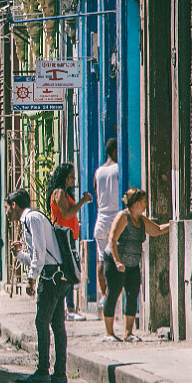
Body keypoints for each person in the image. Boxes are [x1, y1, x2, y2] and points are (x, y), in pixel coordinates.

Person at [7, 189, 69, 383]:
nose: (6, 212)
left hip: (50, 278)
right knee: (57, 325)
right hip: (56, 275)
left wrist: (31, 279)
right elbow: (38, 256)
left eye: (7, 208)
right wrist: (18, 255)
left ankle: (44, 370)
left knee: (42, 322)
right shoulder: (32, 219)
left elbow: (40, 254)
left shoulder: (32, 218)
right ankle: (60, 374)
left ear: (14, 205)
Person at [104, 189, 170, 342]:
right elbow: (112, 240)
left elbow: (157, 230)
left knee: (132, 295)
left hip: (132, 264)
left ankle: (128, 333)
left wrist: (174, 225)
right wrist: (118, 261)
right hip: (116, 262)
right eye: (145, 201)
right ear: (137, 203)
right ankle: (108, 333)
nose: (147, 204)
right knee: (113, 293)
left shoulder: (140, 219)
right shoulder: (123, 217)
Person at [48, 163, 93, 321]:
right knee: (68, 271)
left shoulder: (64, 193)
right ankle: (69, 308)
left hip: (69, 237)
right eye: (71, 177)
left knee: (70, 270)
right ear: (64, 177)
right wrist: (82, 202)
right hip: (63, 238)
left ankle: (69, 307)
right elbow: (66, 214)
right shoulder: (59, 193)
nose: (73, 179)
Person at [93, 139, 120, 306]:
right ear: (116, 151)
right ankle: (117, 298)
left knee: (102, 260)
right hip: (115, 219)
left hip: (101, 220)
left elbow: (97, 196)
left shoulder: (98, 172)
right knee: (120, 260)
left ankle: (104, 296)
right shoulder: (118, 169)